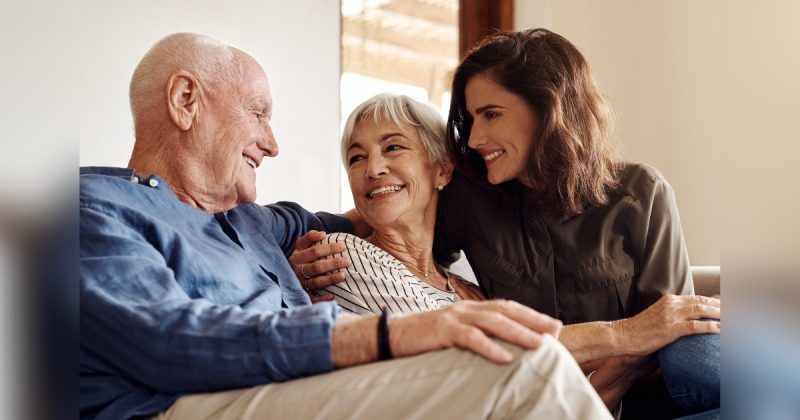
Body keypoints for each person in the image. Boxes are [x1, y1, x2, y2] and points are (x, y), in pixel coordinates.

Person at [79, 32, 611, 420]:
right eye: (258, 113)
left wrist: (429, 185)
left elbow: (371, 212)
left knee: (520, 362)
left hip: (292, 389)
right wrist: (388, 333)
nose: (272, 143)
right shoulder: (94, 208)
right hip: (184, 401)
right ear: (185, 100)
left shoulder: (254, 223)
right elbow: (167, 342)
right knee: (524, 367)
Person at [292, 29, 719, 419]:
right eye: (471, 119)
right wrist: (297, 244)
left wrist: (606, 384)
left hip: (655, 391)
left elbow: (664, 329)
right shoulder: (470, 196)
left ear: (548, 109)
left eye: (491, 114)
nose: (474, 139)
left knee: (692, 354)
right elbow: (393, 209)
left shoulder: (640, 192)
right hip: (575, 400)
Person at [303, 94, 483, 315]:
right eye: (357, 158)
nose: (373, 169)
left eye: (393, 147)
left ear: (443, 169)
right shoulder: (339, 254)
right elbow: (444, 339)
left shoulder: (464, 279)